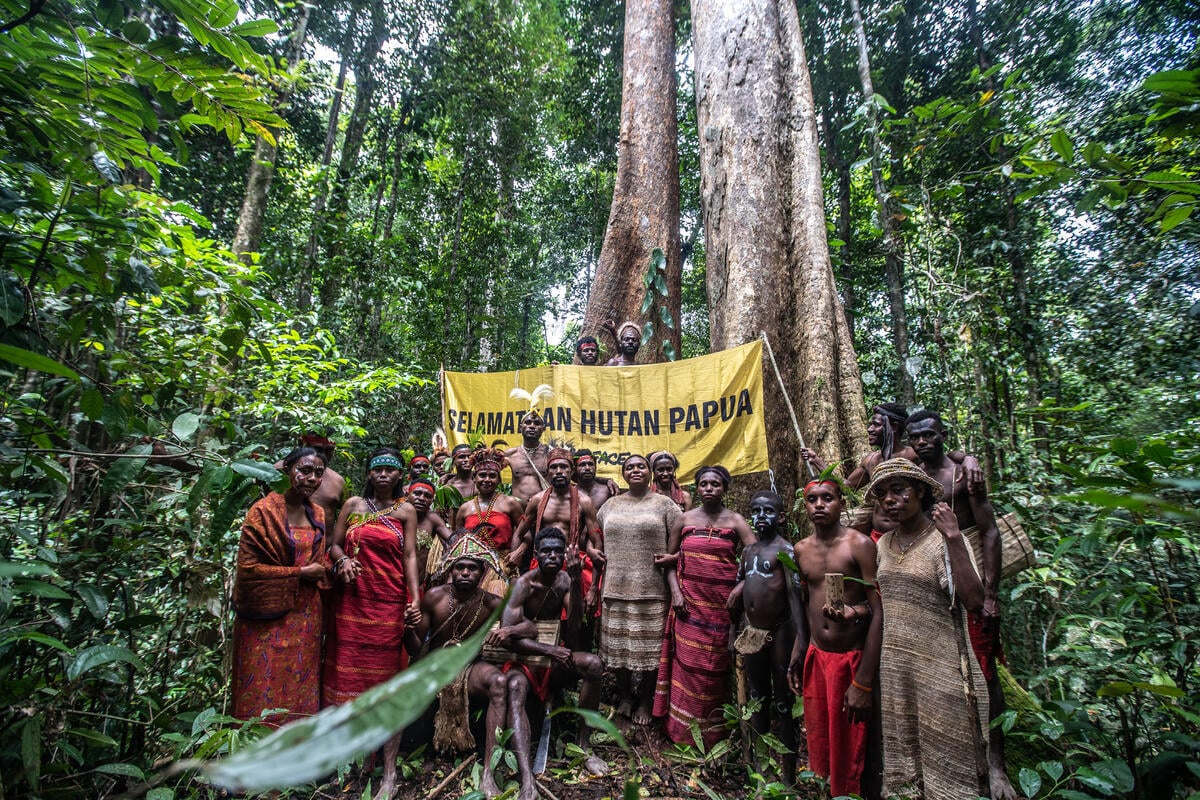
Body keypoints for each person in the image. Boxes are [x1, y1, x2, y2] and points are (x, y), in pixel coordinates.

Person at [906, 409, 1016, 800]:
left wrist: (990, 594)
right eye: (915, 436)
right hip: (931, 587)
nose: (923, 442)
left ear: (942, 434)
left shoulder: (964, 476)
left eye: (929, 435)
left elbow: (990, 532)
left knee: (985, 669)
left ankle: (997, 763)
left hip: (970, 584)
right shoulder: (913, 477)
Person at [868, 458, 989, 800]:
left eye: (898, 490)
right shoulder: (882, 544)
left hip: (944, 672)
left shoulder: (943, 539)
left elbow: (974, 599)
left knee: (951, 764)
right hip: (897, 672)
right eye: (883, 494)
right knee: (906, 768)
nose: (889, 500)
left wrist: (953, 537)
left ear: (920, 491)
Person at [786, 478, 882, 798]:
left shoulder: (859, 545)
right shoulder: (800, 549)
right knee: (822, 739)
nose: (820, 505)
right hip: (818, 656)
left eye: (827, 498)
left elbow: (878, 610)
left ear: (841, 501)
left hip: (851, 659)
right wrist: (798, 655)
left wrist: (864, 682)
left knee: (854, 744)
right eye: (812, 499)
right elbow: (805, 605)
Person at [403, 533, 511, 799]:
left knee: (499, 682)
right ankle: (394, 768)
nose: (465, 572)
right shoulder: (434, 597)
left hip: (470, 668)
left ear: (482, 571)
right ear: (451, 570)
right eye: (459, 567)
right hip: (434, 666)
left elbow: (525, 626)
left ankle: (488, 771)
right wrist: (407, 627)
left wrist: (510, 631)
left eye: (471, 568)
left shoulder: (492, 603)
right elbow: (416, 649)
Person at [653, 465, 754, 746]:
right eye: (704, 484)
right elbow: (668, 561)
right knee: (687, 666)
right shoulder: (684, 519)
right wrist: (676, 594)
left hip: (722, 610)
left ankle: (713, 736)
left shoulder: (736, 522)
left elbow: (758, 560)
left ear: (725, 489)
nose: (709, 489)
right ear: (697, 488)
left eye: (715, 484)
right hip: (688, 607)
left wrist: (740, 587)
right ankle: (680, 733)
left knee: (716, 667)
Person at [503, 527, 608, 795]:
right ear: (536, 554)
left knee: (593, 665)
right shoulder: (522, 585)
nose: (552, 556)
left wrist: (575, 580)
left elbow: (573, 628)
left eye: (558, 551)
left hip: (552, 657)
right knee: (515, 689)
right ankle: (527, 778)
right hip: (522, 660)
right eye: (546, 551)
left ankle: (584, 748)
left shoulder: (564, 580)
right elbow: (507, 637)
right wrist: (549, 651)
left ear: (565, 555)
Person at [230, 447, 330, 725]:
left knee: (300, 678)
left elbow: (319, 560)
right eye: (304, 470)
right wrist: (298, 573)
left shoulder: (318, 514)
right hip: (265, 617)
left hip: (307, 615)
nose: (311, 478)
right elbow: (248, 570)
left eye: (318, 473)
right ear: (287, 471)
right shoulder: (262, 511)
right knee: (262, 678)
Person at [596, 454, 681, 726]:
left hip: (652, 589)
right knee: (618, 651)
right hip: (615, 587)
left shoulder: (665, 505)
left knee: (650, 652)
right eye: (629, 467)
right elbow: (595, 538)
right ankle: (624, 696)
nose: (635, 470)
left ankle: (645, 700)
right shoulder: (608, 506)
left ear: (649, 472)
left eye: (640, 466)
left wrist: (674, 561)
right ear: (623, 474)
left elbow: (681, 544)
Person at [728, 491, 801, 784]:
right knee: (758, 698)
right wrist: (733, 633)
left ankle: (787, 775)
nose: (760, 517)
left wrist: (799, 642)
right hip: (753, 633)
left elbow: (795, 600)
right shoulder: (748, 551)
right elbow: (737, 596)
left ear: (781, 516)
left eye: (768, 511)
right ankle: (761, 768)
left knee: (784, 703)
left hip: (781, 633)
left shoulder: (786, 551)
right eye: (755, 511)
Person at [514, 448, 604, 620]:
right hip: (541, 565)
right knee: (539, 615)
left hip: (572, 564)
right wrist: (515, 558)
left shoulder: (584, 502)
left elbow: (597, 542)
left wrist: (593, 587)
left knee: (574, 619)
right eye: (554, 467)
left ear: (572, 470)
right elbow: (519, 533)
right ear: (548, 473)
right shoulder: (537, 500)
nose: (559, 471)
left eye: (564, 467)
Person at [454, 448, 525, 583]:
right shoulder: (465, 508)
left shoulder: (510, 503)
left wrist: (518, 552)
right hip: (472, 569)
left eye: (492, 476)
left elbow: (526, 534)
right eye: (482, 475)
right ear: (474, 478)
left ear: (499, 480)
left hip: (503, 566)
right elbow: (458, 540)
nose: (487, 480)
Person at [273, 432, 346, 531]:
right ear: (301, 443)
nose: (322, 455)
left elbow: (346, 519)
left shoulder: (338, 482)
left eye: (329, 450)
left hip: (323, 544)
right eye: (317, 449)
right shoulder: (277, 472)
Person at [407, 477, 453, 585]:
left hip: (416, 586)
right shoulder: (395, 513)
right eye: (417, 493)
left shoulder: (432, 518)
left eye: (427, 496)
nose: (422, 498)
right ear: (407, 494)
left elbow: (454, 540)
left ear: (432, 500)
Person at [504, 412, 550, 504]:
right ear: (521, 427)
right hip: (518, 510)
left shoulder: (550, 454)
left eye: (537, 423)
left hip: (543, 509)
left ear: (543, 429)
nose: (532, 426)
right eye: (528, 422)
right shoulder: (510, 455)